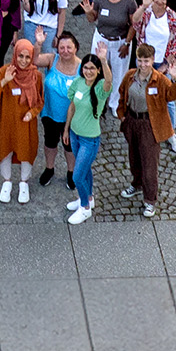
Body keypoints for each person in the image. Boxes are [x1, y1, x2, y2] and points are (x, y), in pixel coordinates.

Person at [118, 42, 176, 216]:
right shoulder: (131, 75)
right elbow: (122, 93)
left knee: (149, 164)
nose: (143, 65)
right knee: (134, 157)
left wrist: (175, 78)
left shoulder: (159, 80)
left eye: (146, 61)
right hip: (132, 121)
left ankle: (150, 200)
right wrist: (122, 115)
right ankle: (137, 184)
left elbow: (174, 95)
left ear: (153, 60)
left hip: (150, 125)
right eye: (140, 60)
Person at [0, 39, 44, 204]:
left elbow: (40, 101)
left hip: (26, 124)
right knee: (6, 149)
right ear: (15, 55)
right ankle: (6, 182)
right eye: (20, 56)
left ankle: (23, 183)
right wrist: (5, 81)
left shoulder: (36, 76)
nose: (24, 61)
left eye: (28, 57)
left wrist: (32, 113)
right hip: (7, 121)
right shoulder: (5, 71)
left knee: (26, 150)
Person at [64, 49, 112, 224]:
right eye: (86, 67)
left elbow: (109, 81)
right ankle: (89, 198)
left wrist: (104, 60)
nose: (89, 71)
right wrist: (66, 129)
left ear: (98, 70)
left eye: (92, 68)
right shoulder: (78, 82)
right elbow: (72, 106)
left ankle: (84, 208)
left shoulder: (99, 88)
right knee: (85, 170)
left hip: (89, 139)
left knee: (77, 175)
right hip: (75, 134)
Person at [132, 0, 176, 150]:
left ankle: (171, 133)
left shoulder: (172, 17)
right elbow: (135, 23)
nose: (160, 2)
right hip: (144, 62)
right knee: (142, 96)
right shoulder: (146, 13)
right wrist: (144, 6)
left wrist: (165, 67)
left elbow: (175, 45)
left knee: (168, 100)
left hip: (163, 63)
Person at [80, 0, 136, 112]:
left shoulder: (129, 1)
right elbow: (92, 19)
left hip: (120, 41)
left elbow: (134, 24)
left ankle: (115, 104)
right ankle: (97, 99)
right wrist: (88, 12)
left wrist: (127, 43)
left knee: (119, 73)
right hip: (101, 39)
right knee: (97, 70)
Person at [38, 31, 81, 191]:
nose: (65, 51)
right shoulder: (51, 60)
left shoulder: (82, 67)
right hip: (50, 113)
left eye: (69, 47)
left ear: (75, 48)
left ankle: (71, 172)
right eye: (61, 47)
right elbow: (34, 60)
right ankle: (49, 169)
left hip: (72, 117)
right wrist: (38, 43)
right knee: (50, 143)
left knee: (69, 146)